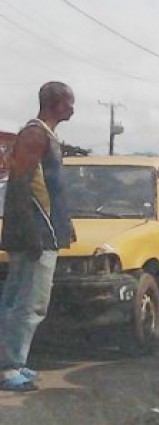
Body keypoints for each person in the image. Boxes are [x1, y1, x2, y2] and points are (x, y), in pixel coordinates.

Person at [0, 82, 76, 392]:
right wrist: (31, 234)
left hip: (45, 232)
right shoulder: (35, 135)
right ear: (57, 104)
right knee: (29, 304)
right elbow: (19, 186)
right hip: (36, 235)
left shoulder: (46, 135)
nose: (73, 108)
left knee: (19, 300)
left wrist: (65, 224)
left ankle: (14, 361)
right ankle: (10, 368)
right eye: (69, 103)